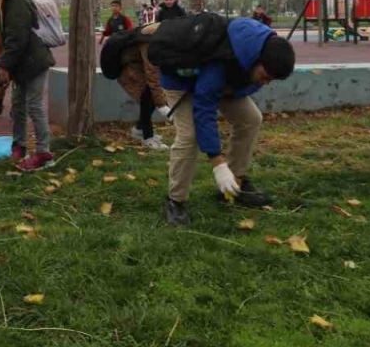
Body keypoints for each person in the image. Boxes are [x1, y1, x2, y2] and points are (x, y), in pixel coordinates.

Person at [160, 18, 296, 226]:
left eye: (271, 80)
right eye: (265, 76)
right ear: (256, 60)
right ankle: (175, 201)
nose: (265, 83)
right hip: (182, 82)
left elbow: (249, 83)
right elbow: (204, 112)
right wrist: (218, 164)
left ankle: (235, 183)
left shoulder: (262, 53)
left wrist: (233, 88)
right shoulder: (221, 61)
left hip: (224, 83)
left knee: (251, 119)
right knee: (191, 136)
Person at [0, 0, 56, 171]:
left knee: (33, 106)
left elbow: (17, 38)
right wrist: (1, 65)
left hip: (33, 63)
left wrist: (4, 66)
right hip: (21, 65)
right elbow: (0, 36)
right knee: (18, 107)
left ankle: (44, 153)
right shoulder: (2, 2)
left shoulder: (15, 1)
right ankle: (19, 146)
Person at [108, 22, 171, 151]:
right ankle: (147, 137)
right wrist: (162, 104)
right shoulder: (149, 41)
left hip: (137, 64)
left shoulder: (163, 34)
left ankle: (138, 130)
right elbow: (152, 73)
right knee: (147, 97)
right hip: (127, 68)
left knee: (150, 95)